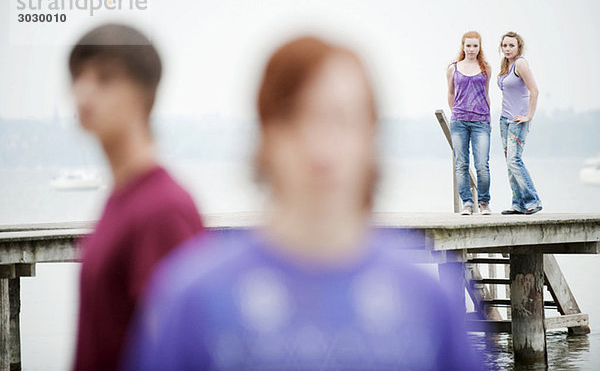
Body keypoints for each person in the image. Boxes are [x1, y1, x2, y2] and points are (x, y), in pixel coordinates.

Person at [120, 36, 483, 371]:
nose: (320, 148)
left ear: (371, 138)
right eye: (295, 119)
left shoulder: (428, 303)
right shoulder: (191, 301)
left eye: (341, 120)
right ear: (264, 138)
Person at [69, 24, 204, 371]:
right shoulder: (121, 199)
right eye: (77, 76)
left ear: (144, 93)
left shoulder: (162, 208)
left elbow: (181, 347)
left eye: (105, 78)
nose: (84, 91)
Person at [446, 31, 492, 215]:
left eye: (475, 45)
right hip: (459, 121)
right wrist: (456, 112)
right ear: (463, 46)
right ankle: (467, 203)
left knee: (482, 164)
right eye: (468, 45)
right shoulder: (453, 68)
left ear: (479, 47)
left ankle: (484, 202)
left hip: (481, 121)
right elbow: (450, 93)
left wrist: (488, 118)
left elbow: (486, 94)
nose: (472, 49)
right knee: (461, 163)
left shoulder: (485, 68)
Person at [497, 31, 542, 215]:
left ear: (518, 47)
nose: (507, 49)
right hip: (504, 120)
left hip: (518, 120)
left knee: (514, 161)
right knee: (510, 163)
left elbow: (534, 90)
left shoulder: (520, 63)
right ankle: (517, 204)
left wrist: (528, 116)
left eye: (511, 45)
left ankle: (533, 201)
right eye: (505, 45)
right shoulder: (504, 65)